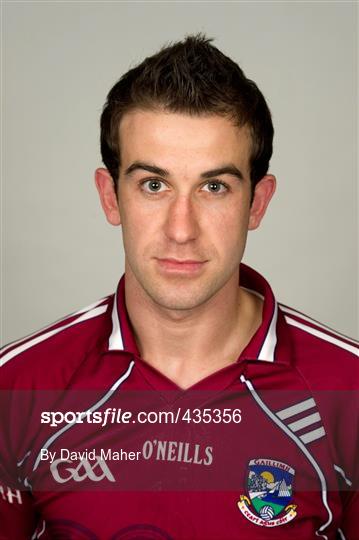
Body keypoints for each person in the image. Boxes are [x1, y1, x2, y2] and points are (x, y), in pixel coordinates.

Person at [0, 34, 358, 540]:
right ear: (110, 197)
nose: (181, 228)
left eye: (214, 187)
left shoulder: (349, 392)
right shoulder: (16, 389)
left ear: (256, 203)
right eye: (153, 185)